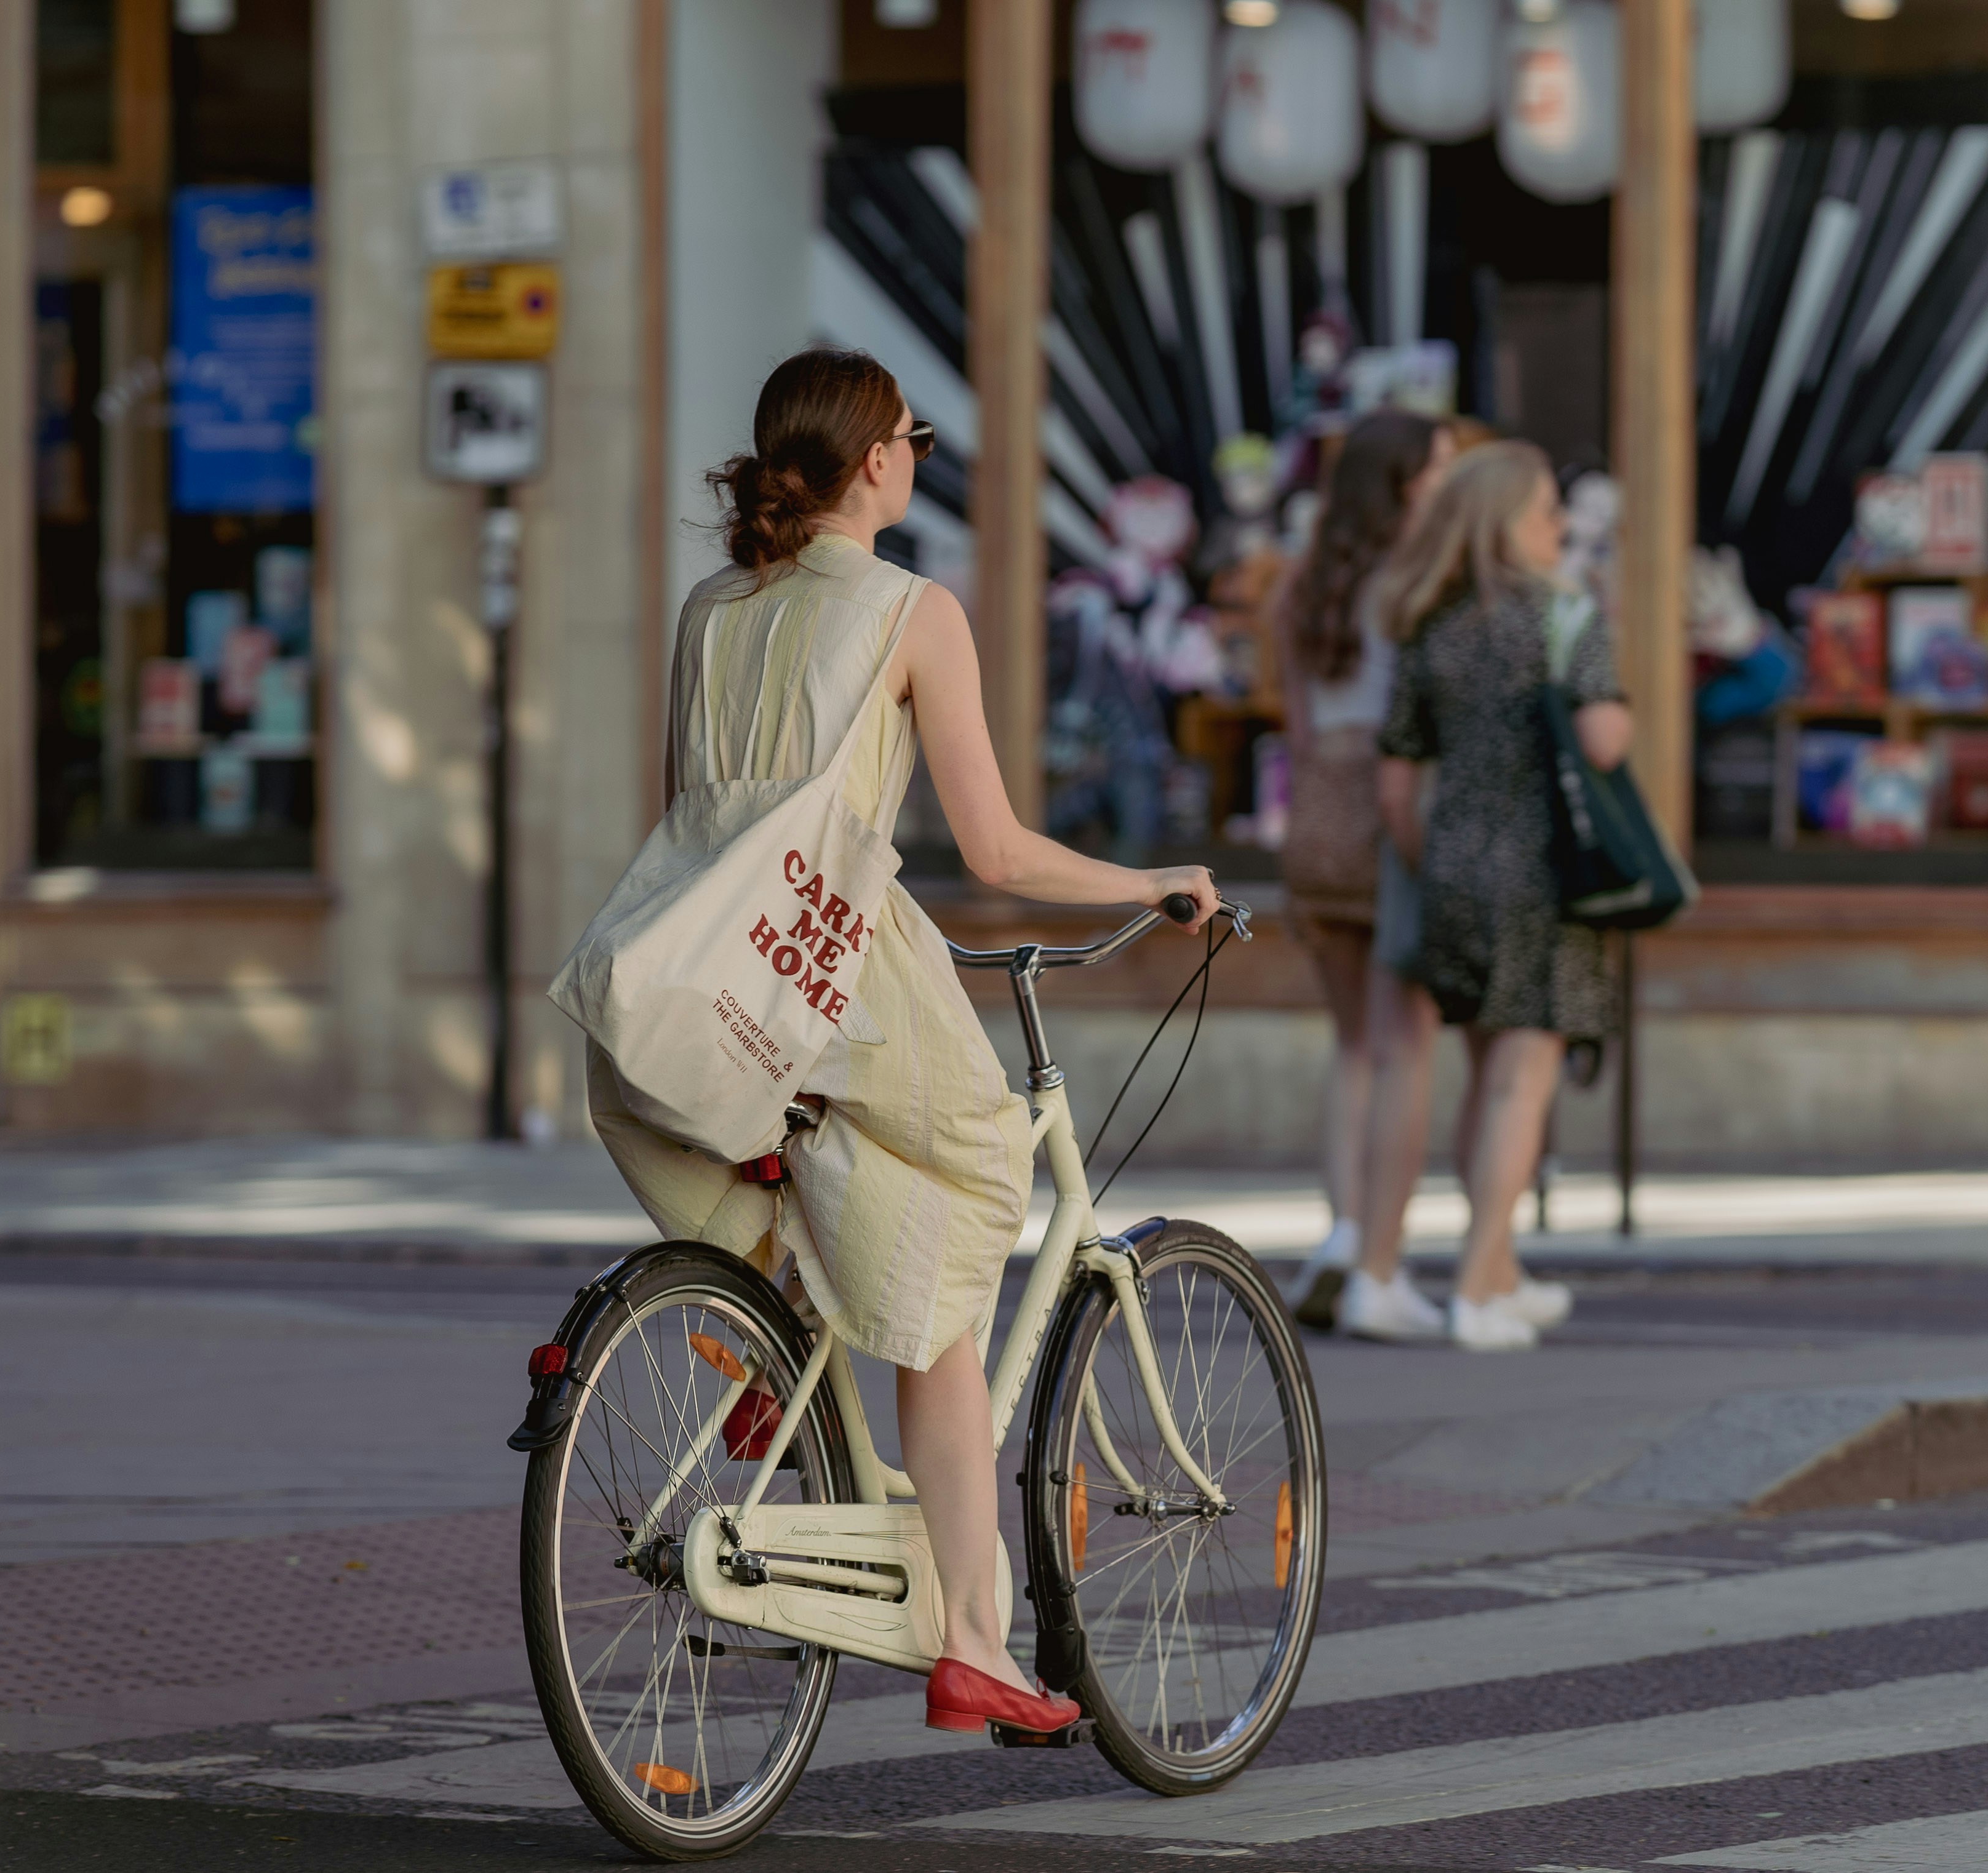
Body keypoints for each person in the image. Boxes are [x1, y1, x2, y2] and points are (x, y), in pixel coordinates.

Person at [582, 348, 1219, 1731]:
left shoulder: (711, 608)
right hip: (841, 972)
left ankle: (768, 1351)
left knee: (832, 1186)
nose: (920, 456)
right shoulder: (910, 609)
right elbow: (992, 849)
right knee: (957, 1245)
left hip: (702, 976)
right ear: (875, 458)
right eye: (915, 437)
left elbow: (704, 814)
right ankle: (980, 1639)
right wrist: (1150, 883)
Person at [1372, 441, 1632, 1351]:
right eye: (1547, 511)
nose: (1560, 525)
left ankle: (1504, 1268)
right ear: (1512, 524)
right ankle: (1480, 1286)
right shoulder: (1563, 619)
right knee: (1525, 1080)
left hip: (1452, 872)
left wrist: (1435, 859)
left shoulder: (1430, 625)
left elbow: (1397, 785)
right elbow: (1602, 742)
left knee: (1485, 1076)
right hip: (1543, 877)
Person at [1276, 410, 1460, 1340]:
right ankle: (1380, 1261)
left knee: (1350, 1045)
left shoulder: (1307, 582)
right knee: (1405, 1047)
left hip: (1317, 819)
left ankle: (1343, 1235)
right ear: (1402, 484)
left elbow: (1299, 726)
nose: (1448, 485)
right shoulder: (1420, 581)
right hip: (1394, 816)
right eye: (1437, 470)